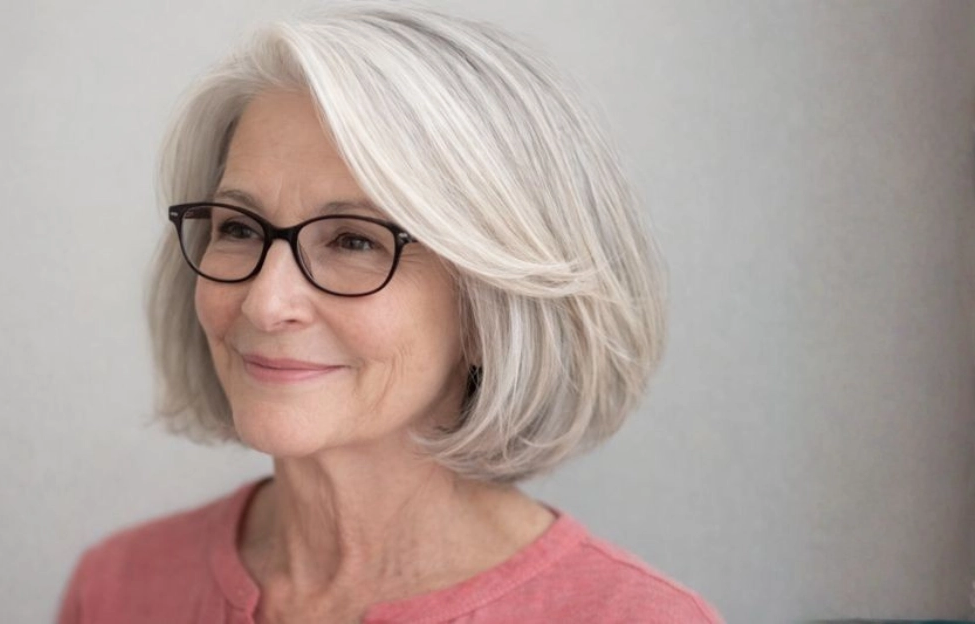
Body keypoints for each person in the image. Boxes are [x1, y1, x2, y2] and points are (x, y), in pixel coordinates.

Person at [57, 4, 723, 623]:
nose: (265, 301)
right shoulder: (119, 587)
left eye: (354, 241)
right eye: (239, 229)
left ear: (493, 307)